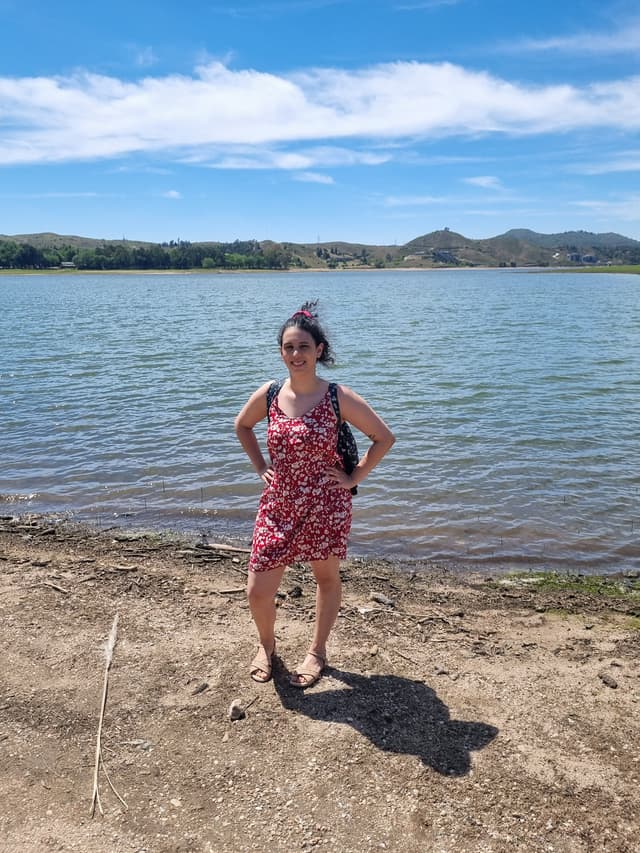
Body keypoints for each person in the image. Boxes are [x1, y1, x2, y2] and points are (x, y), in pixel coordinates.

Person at [235, 301, 395, 688]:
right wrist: (260, 468)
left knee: (325, 578)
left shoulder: (338, 397)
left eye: (303, 347)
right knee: (257, 590)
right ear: (281, 352)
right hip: (278, 503)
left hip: (326, 503)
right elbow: (242, 426)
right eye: (289, 348)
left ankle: (317, 652)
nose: (296, 354)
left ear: (319, 350)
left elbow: (384, 438)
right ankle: (267, 646)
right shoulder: (271, 394)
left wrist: (353, 476)